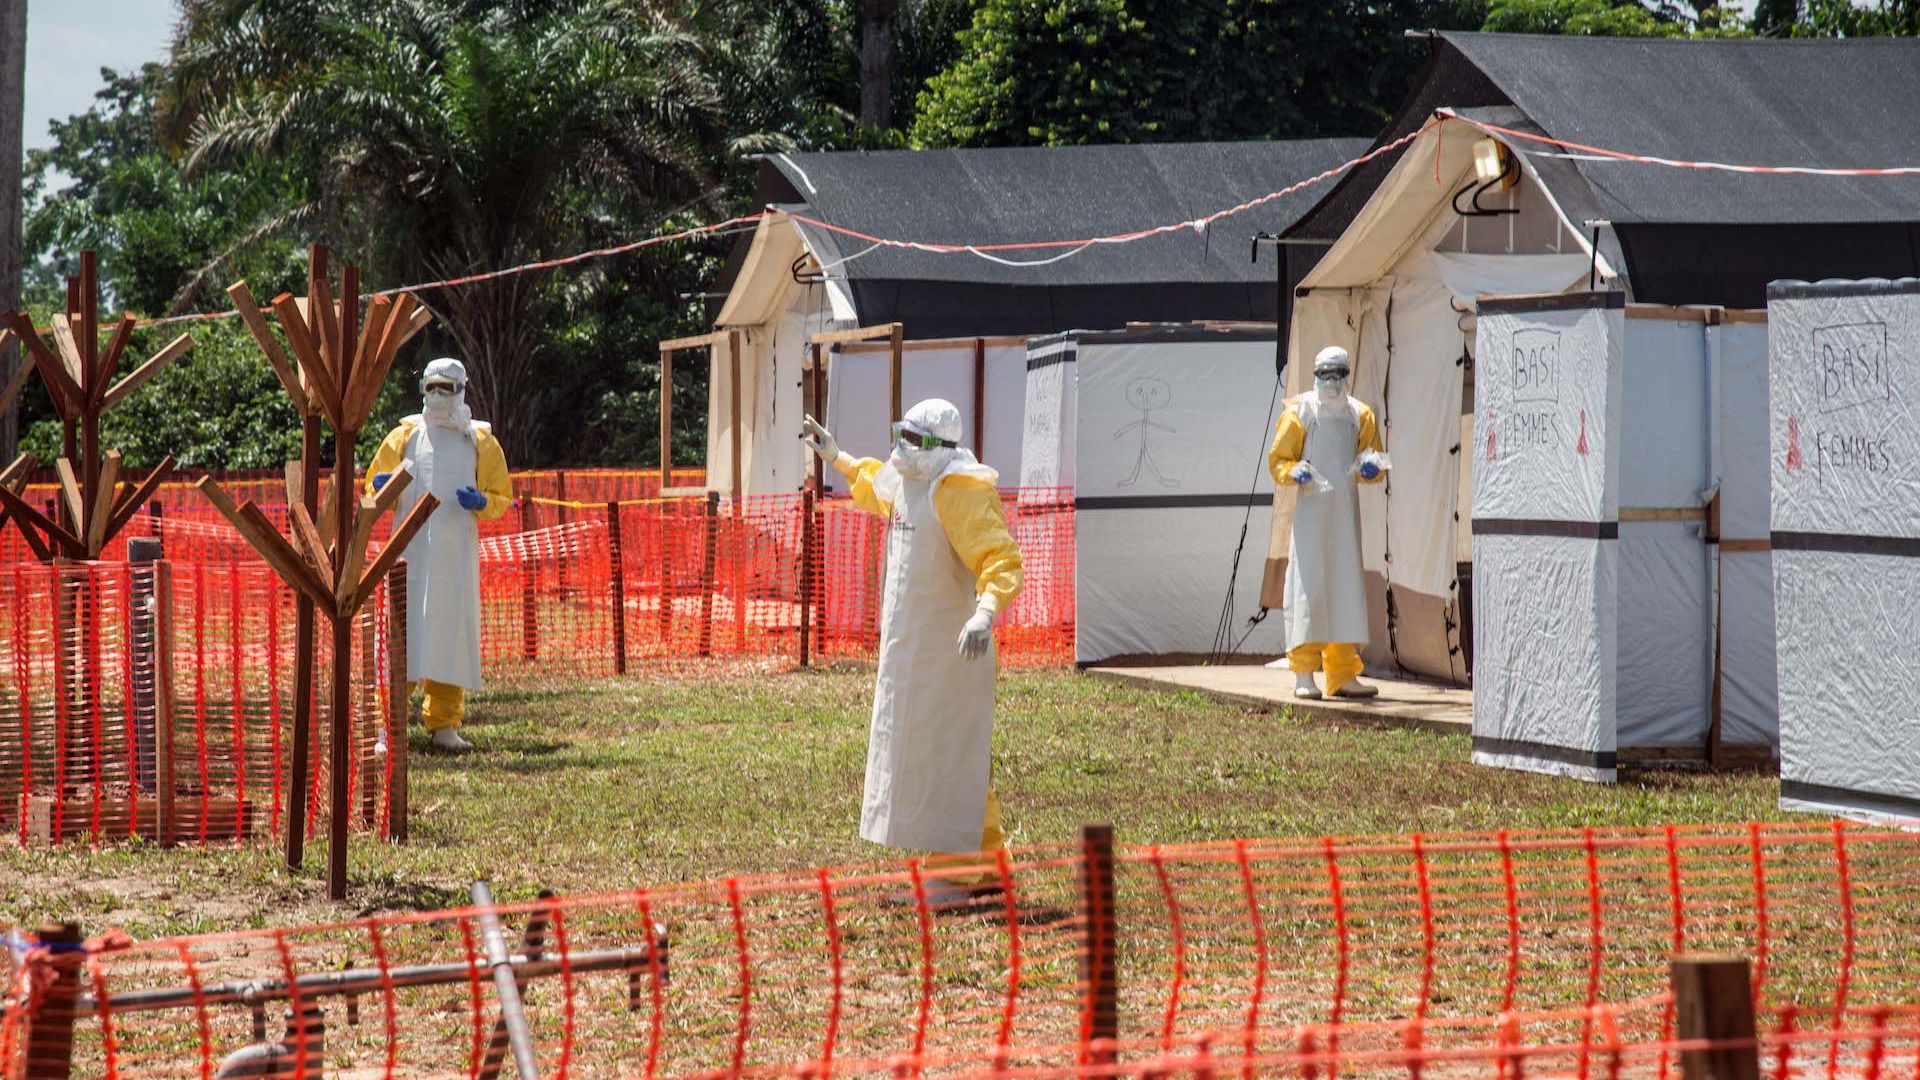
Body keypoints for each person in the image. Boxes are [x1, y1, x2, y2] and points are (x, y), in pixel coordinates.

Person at [800, 400, 1022, 903]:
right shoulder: (909, 481)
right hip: (912, 653)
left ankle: (954, 877)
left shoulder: (960, 491)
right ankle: (987, 869)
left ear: (942, 447)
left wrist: (985, 611)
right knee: (929, 753)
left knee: (948, 753)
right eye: (903, 433)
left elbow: (999, 556)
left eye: (916, 440)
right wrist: (837, 457)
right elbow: (874, 482)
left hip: (951, 654)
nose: (903, 447)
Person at [365, 358, 513, 751]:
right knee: (400, 636)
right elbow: (371, 491)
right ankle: (388, 726)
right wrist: (381, 487)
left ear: (462, 388)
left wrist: (483, 501)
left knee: (449, 635)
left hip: (454, 558)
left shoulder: (480, 441)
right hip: (407, 557)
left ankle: (444, 724)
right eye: (431, 386)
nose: (437, 394)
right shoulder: (404, 437)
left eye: (445, 387)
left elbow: (502, 496)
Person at [1267, 346, 1387, 701]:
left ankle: (1342, 675)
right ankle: (1305, 672)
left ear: (1347, 375)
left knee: (1346, 590)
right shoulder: (1299, 412)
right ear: (1316, 375)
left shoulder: (1360, 414)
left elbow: (1373, 459)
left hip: (1344, 519)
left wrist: (1371, 467)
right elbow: (1278, 461)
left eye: (1338, 374)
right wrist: (1294, 471)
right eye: (1325, 375)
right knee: (1309, 590)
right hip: (1311, 519)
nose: (1331, 383)